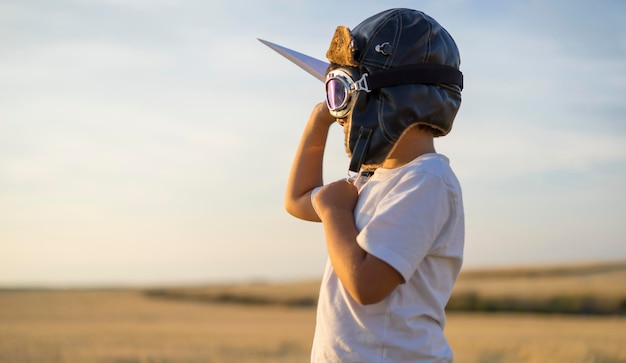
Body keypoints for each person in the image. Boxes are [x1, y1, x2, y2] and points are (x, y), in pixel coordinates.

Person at [284, 8, 465, 363]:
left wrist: (335, 210)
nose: (341, 116)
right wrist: (317, 121)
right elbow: (298, 200)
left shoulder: (426, 182)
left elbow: (365, 285)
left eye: (343, 97)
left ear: (387, 99)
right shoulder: (371, 178)